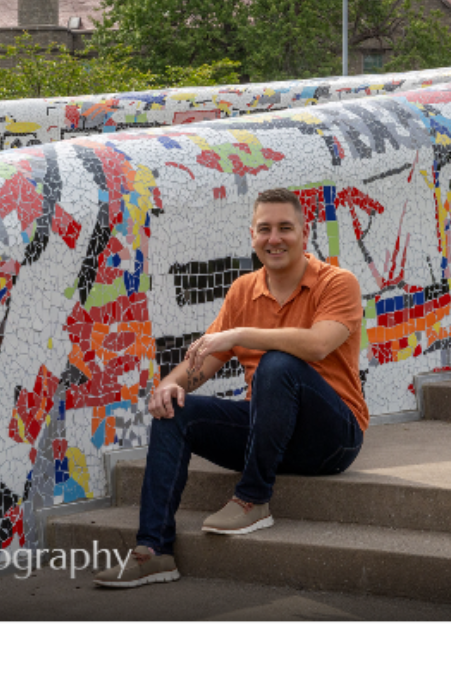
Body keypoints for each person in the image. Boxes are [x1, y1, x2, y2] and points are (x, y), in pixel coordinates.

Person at [96, 187, 367, 588]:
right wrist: (168, 387)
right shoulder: (243, 290)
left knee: (277, 365)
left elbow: (318, 344)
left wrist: (239, 334)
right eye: (264, 229)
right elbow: (200, 362)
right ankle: (154, 550)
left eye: (285, 228)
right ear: (253, 236)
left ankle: (253, 498)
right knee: (178, 410)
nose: (274, 238)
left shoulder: (337, 282)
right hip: (269, 433)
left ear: (305, 235)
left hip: (331, 438)